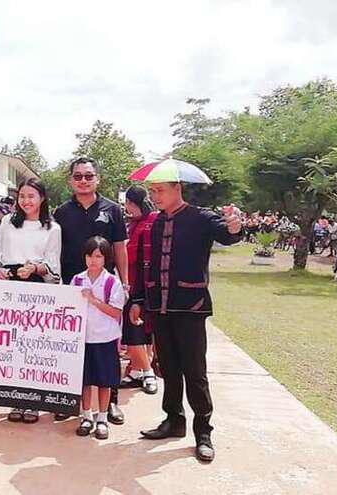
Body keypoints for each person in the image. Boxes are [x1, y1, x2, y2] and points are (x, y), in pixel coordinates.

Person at [134, 181, 242, 463]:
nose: (155, 196)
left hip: (190, 307)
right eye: (152, 191)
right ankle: (174, 420)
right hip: (160, 307)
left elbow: (227, 235)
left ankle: (203, 432)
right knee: (168, 369)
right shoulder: (155, 223)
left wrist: (234, 226)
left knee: (195, 372)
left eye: (160, 191)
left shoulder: (201, 217)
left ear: (177, 189)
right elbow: (146, 264)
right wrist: (139, 300)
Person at [53, 157, 128, 425]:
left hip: (103, 290)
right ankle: (72, 401)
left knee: (106, 347)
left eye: (88, 176)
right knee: (75, 347)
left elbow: (119, 247)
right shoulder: (61, 212)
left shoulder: (112, 210)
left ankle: (111, 403)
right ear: (70, 180)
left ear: (98, 179)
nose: (83, 181)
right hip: (72, 287)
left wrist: (125, 281)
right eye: (78, 176)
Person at [0, 177, 61, 423]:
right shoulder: (8, 222)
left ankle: (33, 401)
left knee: (32, 347)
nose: (26, 201)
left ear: (42, 198)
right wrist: (0, 270)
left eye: (31, 196)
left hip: (36, 289)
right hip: (10, 287)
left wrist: (35, 268)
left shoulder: (52, 228)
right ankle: (14, 399)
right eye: (22, 196)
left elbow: (53, 267)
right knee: (10, 345)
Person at [72, 236, 126, 440]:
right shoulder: (77, 280)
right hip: (83, 338)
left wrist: (93, 300)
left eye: (97, 256)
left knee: (104, 381)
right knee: (85, 380)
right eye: (89, 256)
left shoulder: (112, 282)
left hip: (105, 338)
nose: (92, 260)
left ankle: (102, 418)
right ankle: (86, 416)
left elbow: (116, 312)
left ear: (105, 258)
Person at [120, 185, 158, 394]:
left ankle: (147, 371)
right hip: (133, 283)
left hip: (143, 285)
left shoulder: (150, 223)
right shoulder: (135, 224)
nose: (127, 207)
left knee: (135, 331)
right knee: (138, 333)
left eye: (128, 203)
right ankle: (137, 371)